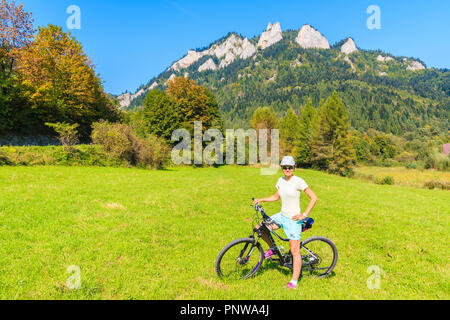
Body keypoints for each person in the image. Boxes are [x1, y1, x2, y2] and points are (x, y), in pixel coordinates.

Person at [253, 156, 318, 290]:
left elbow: (314, 197)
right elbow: (276, 197)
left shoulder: (298, 181)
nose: (287, 169)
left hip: (294, 220)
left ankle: (293, 282)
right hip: (281, 216)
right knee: (259, 228)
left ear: (294, 168)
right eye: (284, 167)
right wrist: (261, 199)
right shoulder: (280, 180)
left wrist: (304, 215)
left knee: (295, 251)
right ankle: (272, 249)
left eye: (290, 167)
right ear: (281, 168)